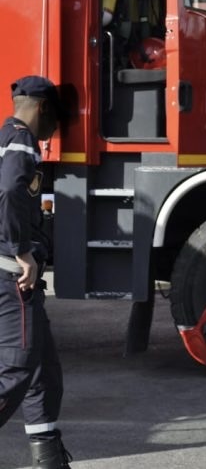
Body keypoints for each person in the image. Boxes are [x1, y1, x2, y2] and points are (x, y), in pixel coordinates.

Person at [0, 76, 72, 469]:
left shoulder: (5, 136)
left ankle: (49, 458)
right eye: (57, 119)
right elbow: (11, 191)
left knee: (44, 372)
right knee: (18, 365)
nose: (56, 130)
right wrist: (22, 250)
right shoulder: (22, 140)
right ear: (43, 108)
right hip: (12, 275)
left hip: (10, 272)